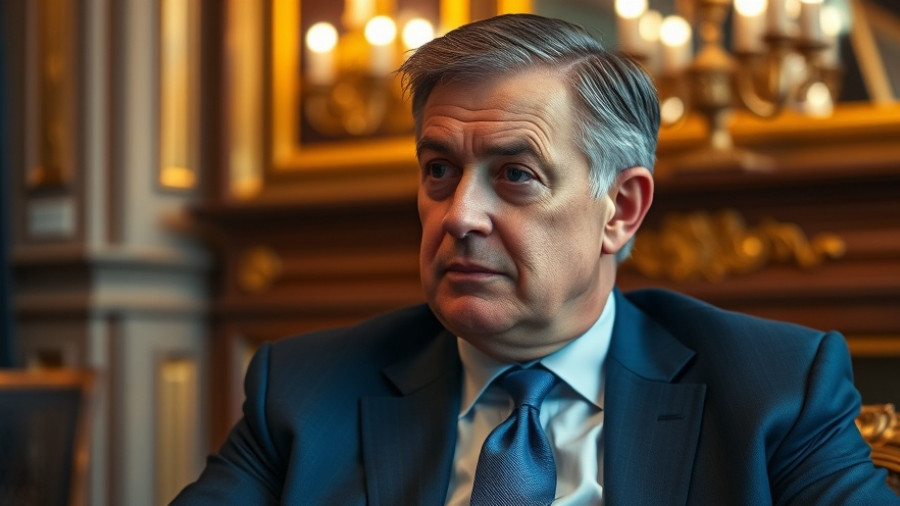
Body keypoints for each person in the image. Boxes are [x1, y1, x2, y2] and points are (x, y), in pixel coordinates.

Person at [174, 14, 899, 505]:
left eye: (516, 175)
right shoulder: (304, 391)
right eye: (439, 170)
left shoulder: (776, 388)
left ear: (621, 209)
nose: (459, 214)